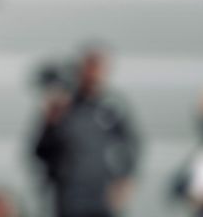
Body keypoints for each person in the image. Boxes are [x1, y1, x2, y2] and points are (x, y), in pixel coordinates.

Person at [32, 47, 140, 217]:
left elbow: (131, 146)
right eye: (88, 68)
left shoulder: (112, 108)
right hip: (69, 195)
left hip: (102, 195)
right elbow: (40, 151)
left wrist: (125, 178)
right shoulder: (63, 108)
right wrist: (51, 123)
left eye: (97, 69)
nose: (93, 75)